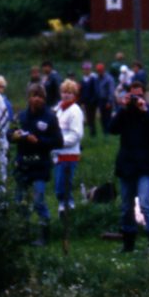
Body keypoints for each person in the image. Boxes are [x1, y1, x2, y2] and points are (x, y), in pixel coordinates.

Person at [105, 77, 149, 253]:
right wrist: (122, 109)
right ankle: (128, 243)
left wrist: (145, 110)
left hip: (145, 166)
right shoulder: (125, 114)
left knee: (145, 204)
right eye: (133, 96)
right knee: (126, 206)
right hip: (126, 166)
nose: (136, 99)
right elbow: (111, 129)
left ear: (144, 96)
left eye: (139, 96)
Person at [10, 84, 63, 246]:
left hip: (41, 165)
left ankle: (44, 236)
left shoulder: (50, 117)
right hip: (23, 163)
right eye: (34, 95)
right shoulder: (21, 116)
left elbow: (58, 141)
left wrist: (39, 141)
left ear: (44, 98)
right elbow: (9, 133)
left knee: (38, 200)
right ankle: (22, 233)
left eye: (40, 96)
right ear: (28, 98)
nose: (37, 99)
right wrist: (14, 136)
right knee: (20, 201)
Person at [54, 78, 85, 246]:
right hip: (57, 155)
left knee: (63, 187)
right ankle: (63, 214)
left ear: (74, 95)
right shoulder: (58, 109)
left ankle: (69, 217)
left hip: (69, 154)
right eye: (64, 92)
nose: (66, 95)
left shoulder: (75, 111)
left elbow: (76, 135)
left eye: (69, 93)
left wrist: (58, 142)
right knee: (59, 188)